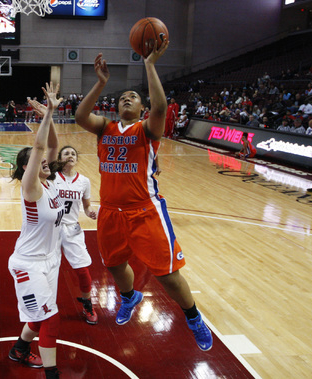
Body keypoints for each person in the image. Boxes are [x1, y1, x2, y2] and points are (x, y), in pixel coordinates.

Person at [75, 46, 214, 351]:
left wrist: (150, 64)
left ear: (141, 109)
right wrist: (100, 83)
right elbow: (80, 115)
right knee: (113, 264)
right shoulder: (105, 127)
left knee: (167, 274)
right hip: (111, 211)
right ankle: (129, 298)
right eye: (123, 96)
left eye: (134, 97)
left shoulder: (147, 130)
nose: (127, 98)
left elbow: (161, 108)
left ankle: (193, 318)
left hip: (144, 211)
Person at [8, 82, 63, 379]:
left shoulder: (48, 182)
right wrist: (49, 112)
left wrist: (49, 117)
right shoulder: (31, 188)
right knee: (51, 318)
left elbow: (51, 146)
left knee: (40, 317)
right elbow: (41, 147)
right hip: (28, 265)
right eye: (36, 161)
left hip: (48, 261)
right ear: (26, 167)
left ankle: (19, 349)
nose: (45, 161)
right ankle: (52, 375)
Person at [54, 145, 99, 325]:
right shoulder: (51, 177)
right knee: (48, 268)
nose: (70, 155)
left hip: (72, 228)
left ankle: (88, 303)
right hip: (52, 228)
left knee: (82, 269)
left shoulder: (84, 181)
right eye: (66, 153)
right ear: (59, 158)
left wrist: (90, 212)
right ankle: (44, 306)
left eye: (73, 153)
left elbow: (86, 205)